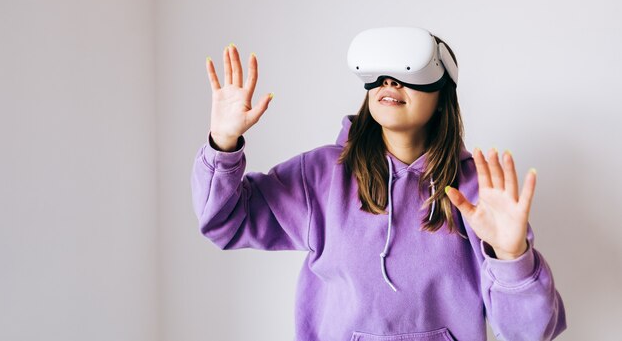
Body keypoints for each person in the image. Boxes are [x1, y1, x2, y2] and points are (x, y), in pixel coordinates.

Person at [191, 27, 567, 341]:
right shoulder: (320, 175)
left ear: (442, 95)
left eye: (408, 72)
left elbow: (531, 333)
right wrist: (222, 144)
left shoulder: (476, 194)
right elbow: (224, 222)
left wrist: (513, 256)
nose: (390, 80)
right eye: (381, 74)